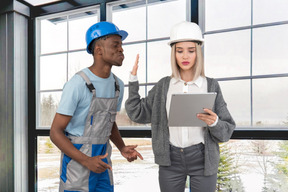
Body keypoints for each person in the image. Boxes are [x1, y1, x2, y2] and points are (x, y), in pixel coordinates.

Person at [125, 21, 235, 192]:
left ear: (198, 52)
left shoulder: (211, 85)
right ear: (173, 54)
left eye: (191, 51)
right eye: (179, 51)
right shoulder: (163, 86)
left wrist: (214, 122)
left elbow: (226, 131)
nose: (185, 56)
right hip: (170, 160)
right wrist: (133, 81)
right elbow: (136, 113)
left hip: (203, 159)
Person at [50, 21, 143, 192]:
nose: (121, 49)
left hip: (102, 157)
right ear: (98, 50)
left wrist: (121, 147)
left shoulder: (118, 85)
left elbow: (109, 121)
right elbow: (55, 132)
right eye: (115, 45)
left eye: (121, 45)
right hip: (78, 158)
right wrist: (86, 160)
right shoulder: (77, 84)